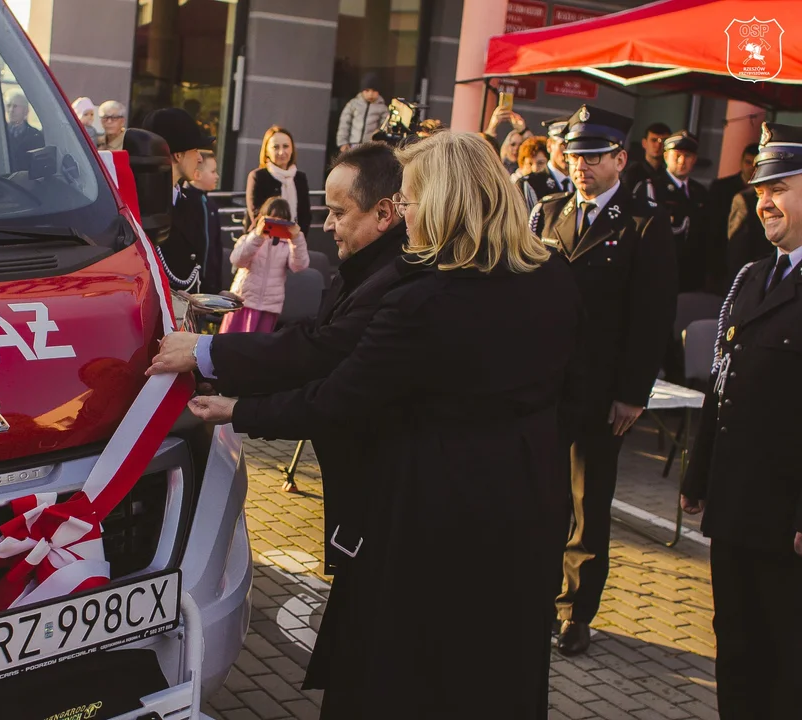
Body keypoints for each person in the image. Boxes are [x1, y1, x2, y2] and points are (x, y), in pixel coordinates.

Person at [180, 130, 580, 718]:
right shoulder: (554, 278)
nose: (406, 218)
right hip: (527, 506)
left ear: (442, 204)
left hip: (432, 516)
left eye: (412, 202)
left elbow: (338, 400)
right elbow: (576, 396)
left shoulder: (425, 302)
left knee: (401, 675)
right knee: (500, 668)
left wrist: (238, 409)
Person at [147, 142, 407, 549]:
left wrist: (211, 360)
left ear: (384, 212)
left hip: (381, 501)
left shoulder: (394, 279)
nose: (328, 224)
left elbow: (322, 361)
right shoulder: (371, 268)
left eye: (339, 213)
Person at [530, 104, 678, 657]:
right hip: (547, 388)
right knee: (544, 500)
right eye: (574, 154)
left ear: (621, 158)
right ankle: (537, 598)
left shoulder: (643, 223)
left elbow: (651, 316)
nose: (581, 165)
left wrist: (631, 395)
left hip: (601, 394)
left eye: (593, 155)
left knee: (589, 507)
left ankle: (574, 612)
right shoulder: (548, 212)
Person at [680, 121, 802, 720]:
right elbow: (720, 386)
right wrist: (697, 476)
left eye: (779, 187)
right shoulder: (752, 277)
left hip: (788, 517)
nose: (764, 202)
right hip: (736, 503)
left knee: (787, 656)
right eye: (759, 191)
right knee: (737, 646)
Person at [141, 107, 220, 291]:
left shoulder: (188, 202)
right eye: (194, 150)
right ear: (178, 155)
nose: (200, 158)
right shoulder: (141, 204)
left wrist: (212, 294)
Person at [219, 197, 310, 334]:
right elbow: (237, 260)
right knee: (230, 343)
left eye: (282, 220)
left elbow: (299, 266)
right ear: (262, 218)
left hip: (269, 307)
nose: (276, 224)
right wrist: (258, 236)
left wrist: (297, 239)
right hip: (243, 302)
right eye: (272, 219)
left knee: (257, 348)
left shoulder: (288, 246)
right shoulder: (249, 239)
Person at [654, 130, 710, 292]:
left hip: (691, 275)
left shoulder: (700, 192)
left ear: (695, 160)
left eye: (688, 156)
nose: (682, 161)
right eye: (677, 155)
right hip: (661, 271)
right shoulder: (653, 188)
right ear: (665, 157)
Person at [708, 143, 760, 292]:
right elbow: (712, 229)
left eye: (756, 164)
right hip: (722, 261)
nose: (751, 168)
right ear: (741, 162)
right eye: (748, 162)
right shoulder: (722, 189)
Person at [244, 126, 312, 238]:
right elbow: (256, 214)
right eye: (275, 147)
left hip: (293, 242)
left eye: (286, 146)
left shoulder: (300, 178)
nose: (281, 152)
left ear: (292, 149)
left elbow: (305, 215)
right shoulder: (258, 176)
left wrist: (297, 239)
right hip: (262, 241)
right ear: (266, 151)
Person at [0, 91, 45, 174]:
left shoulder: (36, 137)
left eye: (15, 106)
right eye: (8, 106)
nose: (11, 110)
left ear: (26, 111)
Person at [187, 149, 225, 292]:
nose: (217, 176)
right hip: (191, 284)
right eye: (213, 171)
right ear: (197, 175)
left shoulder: (210, 204)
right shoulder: (185, 201)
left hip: (208, 284)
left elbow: (215, 247)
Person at [517, 116, 573, 211]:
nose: (567, 152)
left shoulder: (584, 184)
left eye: (572, 146)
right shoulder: (530, 184)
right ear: (549, 145)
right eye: (563, 145)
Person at [336, 73, 388, 151]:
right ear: (362, 91)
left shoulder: (382, 108)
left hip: (371, 147)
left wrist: (379, 136)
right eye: (367, 90)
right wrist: (343, 142)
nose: (370, 94)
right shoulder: (353, 104)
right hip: (352, 144)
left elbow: (385, 125)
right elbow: (344, 124)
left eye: (374, 91)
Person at [621, 121, 670, 191]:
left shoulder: (669, 174)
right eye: (654, 140)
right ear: (644, 143)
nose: (658, 145)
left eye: (663, 141)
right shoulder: (632, 173)